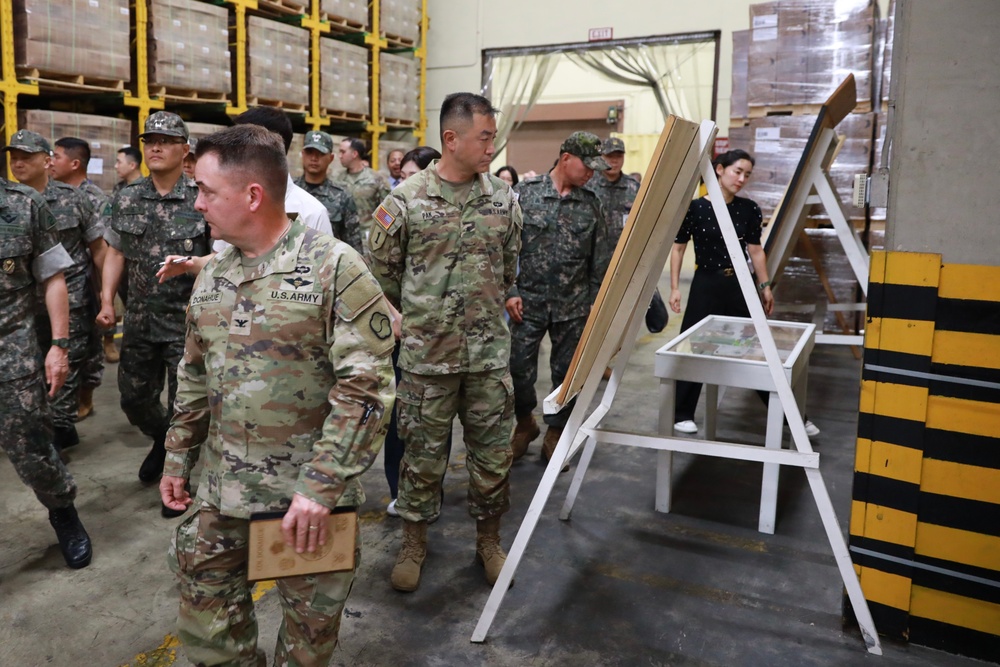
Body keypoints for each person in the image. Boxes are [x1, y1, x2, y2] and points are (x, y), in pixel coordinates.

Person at [160, 124, 395, 667]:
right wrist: (179, 456)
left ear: (252, 195)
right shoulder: (213, 273)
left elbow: (367, 390)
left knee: (306, 649)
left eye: (206, 191)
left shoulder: (334, 267)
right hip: (222, 495)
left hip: (306, 504)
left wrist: (321, 485)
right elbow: (194, 373)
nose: (196, 204)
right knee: (209, 642)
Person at [368, 92, 521, 592]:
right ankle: (414, 544)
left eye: (493, 137)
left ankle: (489, 542)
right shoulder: (405, 201)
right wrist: (414, 319)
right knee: (421, 458)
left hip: (488, 360)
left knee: (493, 457)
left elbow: (509, 270)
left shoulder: (503, 200)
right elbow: (382, 278)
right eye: (484, 137)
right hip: (425, 361)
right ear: (451, 139)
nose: (491, 147)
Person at [96, 111, 213, 514]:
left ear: (185, 149)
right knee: (134, 399)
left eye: (165, 140)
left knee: (187, 407)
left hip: (187, 323)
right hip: (141, 321)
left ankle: (177, 481)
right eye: (149, 141)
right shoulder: (126, 196)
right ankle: (164, 442)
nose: (155, 147)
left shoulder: (201, 196)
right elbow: (114, 251)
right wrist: (107, 301)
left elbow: (219, 257)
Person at [668, 149, 820, 437]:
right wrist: (675, 288)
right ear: (720, 170)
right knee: (695, 346)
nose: (742, 179)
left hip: (740, 285)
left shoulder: (748, 209)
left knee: (757, 350)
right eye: (737, 171)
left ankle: (793, 416)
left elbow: (756, 251)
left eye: (747, 174)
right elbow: (678, 248)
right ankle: (683, 413)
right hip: (706, 284)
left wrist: (764, 286)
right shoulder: (695, 208)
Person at [0, 166, 93, 569]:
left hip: (12, 351)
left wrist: (58, 346)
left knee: (32, 448)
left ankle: (63, 510)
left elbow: (54, 277)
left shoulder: (24, 204)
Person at [507, 132, 609, 464]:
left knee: (565, 375)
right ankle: (525, 423)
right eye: (587, 165)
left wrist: (595, 304)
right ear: (566, 159)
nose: (592, 173)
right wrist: (510, 291)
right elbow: (505, 248)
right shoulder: (524, 194)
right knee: (518, 368)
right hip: (528, 303)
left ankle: (555, 431)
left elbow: (600, 260)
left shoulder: (592, 203)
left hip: (573, 305)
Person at [5, 130, 106, 450]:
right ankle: (42, 429)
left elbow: (98, 250)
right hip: (21, 306)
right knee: (29, 371)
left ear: (47, 161)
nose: (18, 163)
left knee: (66, 367)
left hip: (71, 299)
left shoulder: (74, 199)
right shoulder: (8, 204)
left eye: (26, 157)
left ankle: (58, 432)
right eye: (14, 157)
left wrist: (106, 297)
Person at [379, 144, 446, 519]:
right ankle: (398, 490)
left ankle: (430, 489)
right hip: (400, 334)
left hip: (440, 336)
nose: (399, 187)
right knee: (399, 416)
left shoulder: (443, 218)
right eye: (398, 178)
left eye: (407, 178)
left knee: (436, 418)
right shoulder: (393, 214)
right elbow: (377, 272)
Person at [51, 137, 112, 414]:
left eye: (57, 156)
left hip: (87, 285)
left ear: (75, 163)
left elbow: (104, 248)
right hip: (58, 284)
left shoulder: (94, 198)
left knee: (88, 348)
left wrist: (105, 293)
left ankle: (84, 398)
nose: (51, 162)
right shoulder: (47, 196)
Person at [294, 129, 363, 254]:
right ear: (303, 154)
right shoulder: (289, 192)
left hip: (326, 267)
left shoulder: (342, 197)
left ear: (331, 158)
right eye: (310, 152)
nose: (314, 158)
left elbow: (354, 246)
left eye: (320, 153)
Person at [586, 137, 640, 268]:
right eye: (609, 156)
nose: (614, 161)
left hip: (625, 261)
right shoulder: (588, 186)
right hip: (593, 261)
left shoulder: (634, 187)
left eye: (619, 156)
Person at [335, 137, 390, 244]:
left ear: (354, 154)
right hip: (344, 240)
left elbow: (388, 211)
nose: (340, 156)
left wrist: (384, 237)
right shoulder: (337, 179)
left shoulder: (376, 179)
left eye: (343, 152)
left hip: (369, 239)